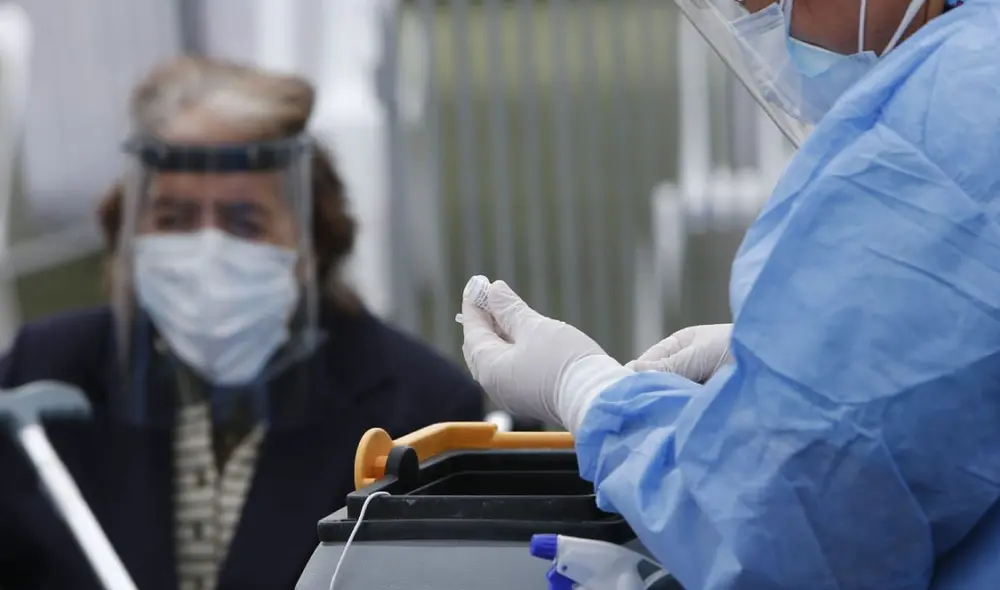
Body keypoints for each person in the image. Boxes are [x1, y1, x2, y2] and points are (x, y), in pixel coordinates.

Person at [461, 0, 1000, 588]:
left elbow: (787, 532)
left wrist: (589, 390)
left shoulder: (942, 128)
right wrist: (788, 366)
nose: (763, 20)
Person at [0, 56, 484, 590]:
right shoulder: (43, 372)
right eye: (173, 219)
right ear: (127, 228)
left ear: (311, 241)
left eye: (243, 221)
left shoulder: (419, 411)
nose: (207, 247)